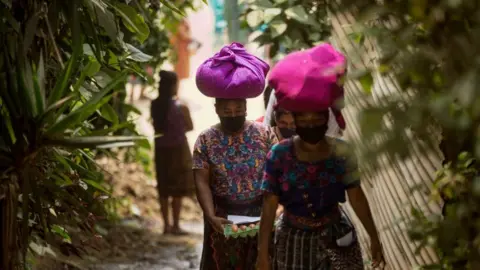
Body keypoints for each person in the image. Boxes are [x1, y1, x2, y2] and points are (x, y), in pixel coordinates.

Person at [257, 43, 385, 270]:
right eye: (304, 121)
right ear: (295, 122)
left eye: (316, 120)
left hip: (337, 238)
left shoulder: (342, 152)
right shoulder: (279, 155)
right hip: (293, 242)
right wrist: (263, 254)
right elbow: (269, 206)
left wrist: (374, 237)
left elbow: (356, 196)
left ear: (326, 119)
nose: (311, 125)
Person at [193, 43, 277, 269]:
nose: (233, 115)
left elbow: (278, 175)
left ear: (246, 109)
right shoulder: (205, 139)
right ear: (216, 109)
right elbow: (201, 180)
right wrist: (211, 216)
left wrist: (276, 211)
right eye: (227, 112)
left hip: (263, 217)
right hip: (223, 219)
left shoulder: (265, 134)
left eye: (238, 111)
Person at [151, 70, 195, 235]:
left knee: (163, 186)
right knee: (177, 187)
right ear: (174, 86)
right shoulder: (181, 106)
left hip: (160, 149)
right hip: (178, 149)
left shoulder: (155, 105)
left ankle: (165, 226)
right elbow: (190, 126)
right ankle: (175, 225)